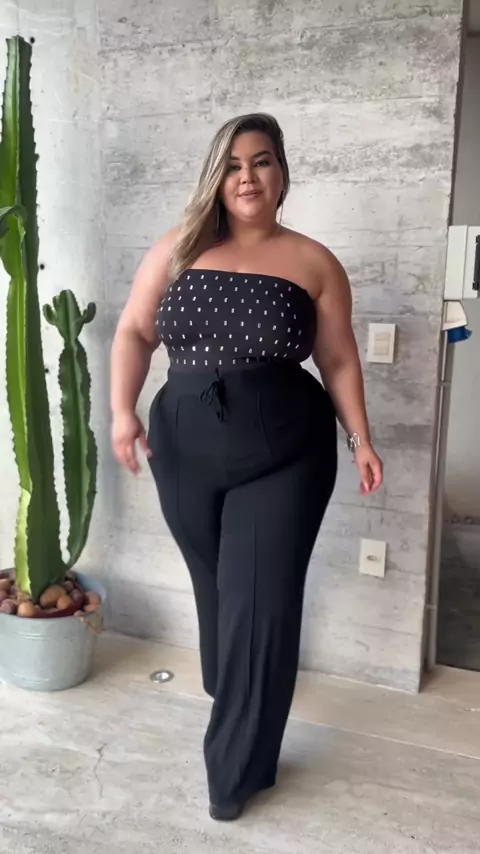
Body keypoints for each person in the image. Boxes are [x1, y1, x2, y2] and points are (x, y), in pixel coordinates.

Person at [110, 112, 383, 821]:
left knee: (259, 603)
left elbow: (339, 359)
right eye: (232, 165)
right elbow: (135, 331)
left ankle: (235, 771)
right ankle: (236, 694)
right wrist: (121, 411)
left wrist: (360, 438)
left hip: (284, 452)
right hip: (183, 450)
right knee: (219, 592)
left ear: (281, 173)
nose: (247, 177)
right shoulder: (177, 248)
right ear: (216, 177)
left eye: (261, 161)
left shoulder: (314, 262)